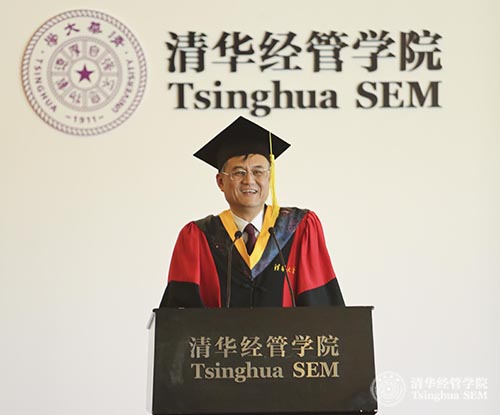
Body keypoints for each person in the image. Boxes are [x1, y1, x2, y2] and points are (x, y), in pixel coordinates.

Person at [160, 116, 344, 308]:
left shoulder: (300, 229)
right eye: (239, 172)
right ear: (221, 182)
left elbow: (321, 309)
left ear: (269, 178)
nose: (249, 180)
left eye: (258, 172)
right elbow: (180, 317)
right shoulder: (197, 238)